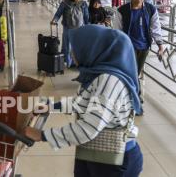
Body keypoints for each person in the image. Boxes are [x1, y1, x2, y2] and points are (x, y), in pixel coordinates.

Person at [23, 25, 143, 177]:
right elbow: (83, 103)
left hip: (115, 162)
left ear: (92, 49)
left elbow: (88, 128)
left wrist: (41, 135)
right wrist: (51, 107)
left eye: (75, 48)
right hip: (96, 153)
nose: (72, 53)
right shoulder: (97, 75)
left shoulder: (109, 80)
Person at [118, 0, 164, 107]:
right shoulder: (122, 11)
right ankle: (134, 98)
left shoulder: (150, 9)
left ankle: (131, 96)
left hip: (144, 47)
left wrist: (160, 45)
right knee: (131, 73)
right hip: (128, 48)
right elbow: (118, 31)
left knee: (135, 73)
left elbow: (156, 28)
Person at [52, 0, 89, 67]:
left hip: (80, 28)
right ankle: (68, 62)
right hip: (67, 28)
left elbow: (86, 16)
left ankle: (77, 63)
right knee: (67, 46)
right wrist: (54, 20)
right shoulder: (65, 3)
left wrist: (87, 26)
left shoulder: (83, 3)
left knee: (78, 46)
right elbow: (58, 13)